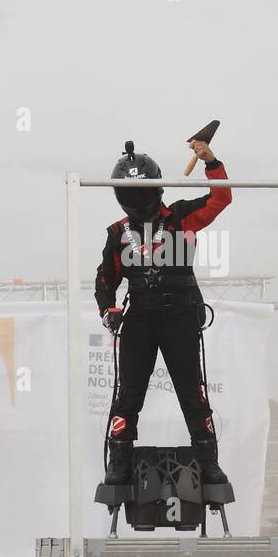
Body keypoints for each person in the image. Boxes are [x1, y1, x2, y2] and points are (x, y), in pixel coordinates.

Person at [94, 136, 231, 487]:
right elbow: (105, 277)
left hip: (180, 316)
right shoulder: (117, 233)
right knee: (128, 394)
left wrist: (210, 160)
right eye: (130, 196)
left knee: (193, 393)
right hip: (139, 318)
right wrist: (108, 307)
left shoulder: (182, 215)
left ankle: (208, 461)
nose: (137, 203)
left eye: (142, 194)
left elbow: (221, 198)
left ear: (155, 191)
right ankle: (119, 462)